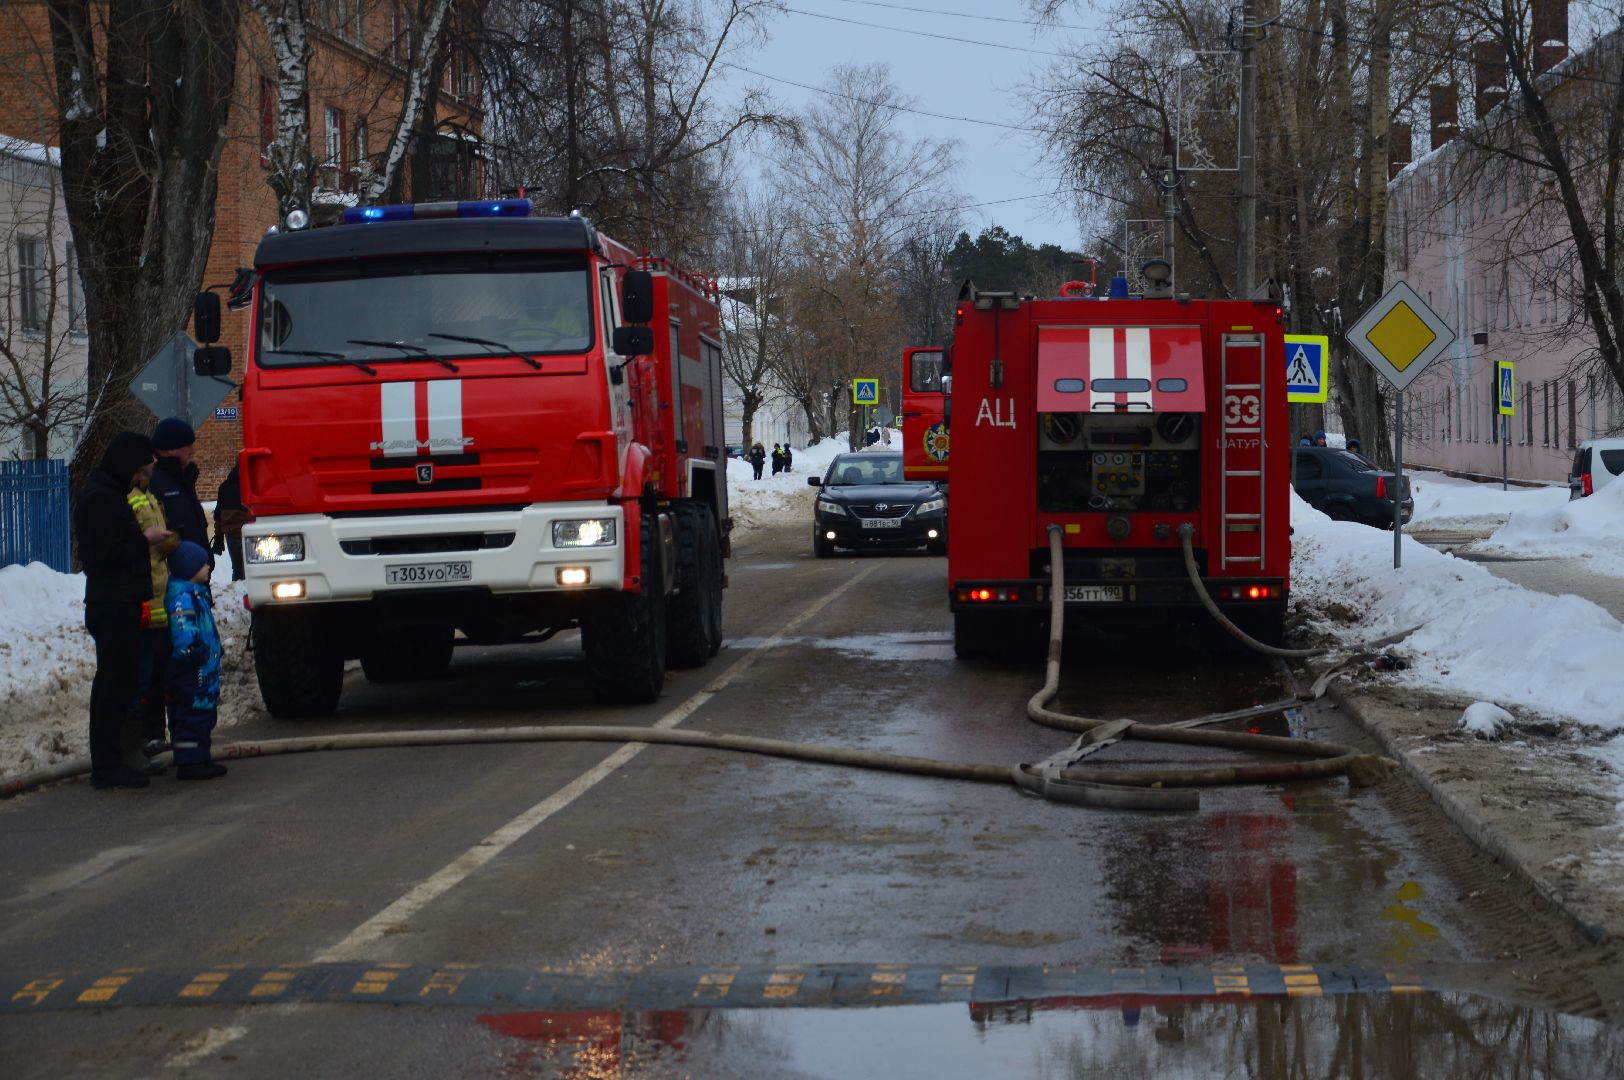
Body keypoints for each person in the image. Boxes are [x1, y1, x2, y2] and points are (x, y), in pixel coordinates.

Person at [74, 432, 174, 790]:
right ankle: (107, 764)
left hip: (121, 603)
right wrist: (143, 541)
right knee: (113, 686)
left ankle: (114, 759)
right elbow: (104, 555)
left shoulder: (109, 494)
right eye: (140, 470)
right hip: (111, 605)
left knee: (121, 681)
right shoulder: (101, 500)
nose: (141, 477)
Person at [127, 454, 179, 764]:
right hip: (146, 595)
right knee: (144, 675)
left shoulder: (152, 498)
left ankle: (157, 734)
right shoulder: (130, 499)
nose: (155, 465)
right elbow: (132, 542)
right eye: (150, 461)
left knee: (160, 671)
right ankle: (143, 738)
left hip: (161, 594)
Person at [165, 542, 227, 781]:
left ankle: (201, 757)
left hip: (203, 668)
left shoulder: (196, 594)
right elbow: (185, 631)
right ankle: (190, 762)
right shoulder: (183, 599)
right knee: (193, 715)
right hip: (192, 670)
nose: (208, 566)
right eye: (203, 563)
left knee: (204, 715)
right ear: (189, 568)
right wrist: (194, 651)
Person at [149, 418, 211, 558]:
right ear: (171, 449)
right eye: (188, 446)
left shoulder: (184, 478)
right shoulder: (154, 481)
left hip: (197, 570)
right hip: (176, 572)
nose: (192, 451)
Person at [212, 464, 248, 582]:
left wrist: (218, 540)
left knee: (237, 570)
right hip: (250, 533)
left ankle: (238, 594)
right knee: (252, 569)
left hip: (231, 534)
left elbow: (218, 516)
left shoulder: (224, 487)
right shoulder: (250, 485)